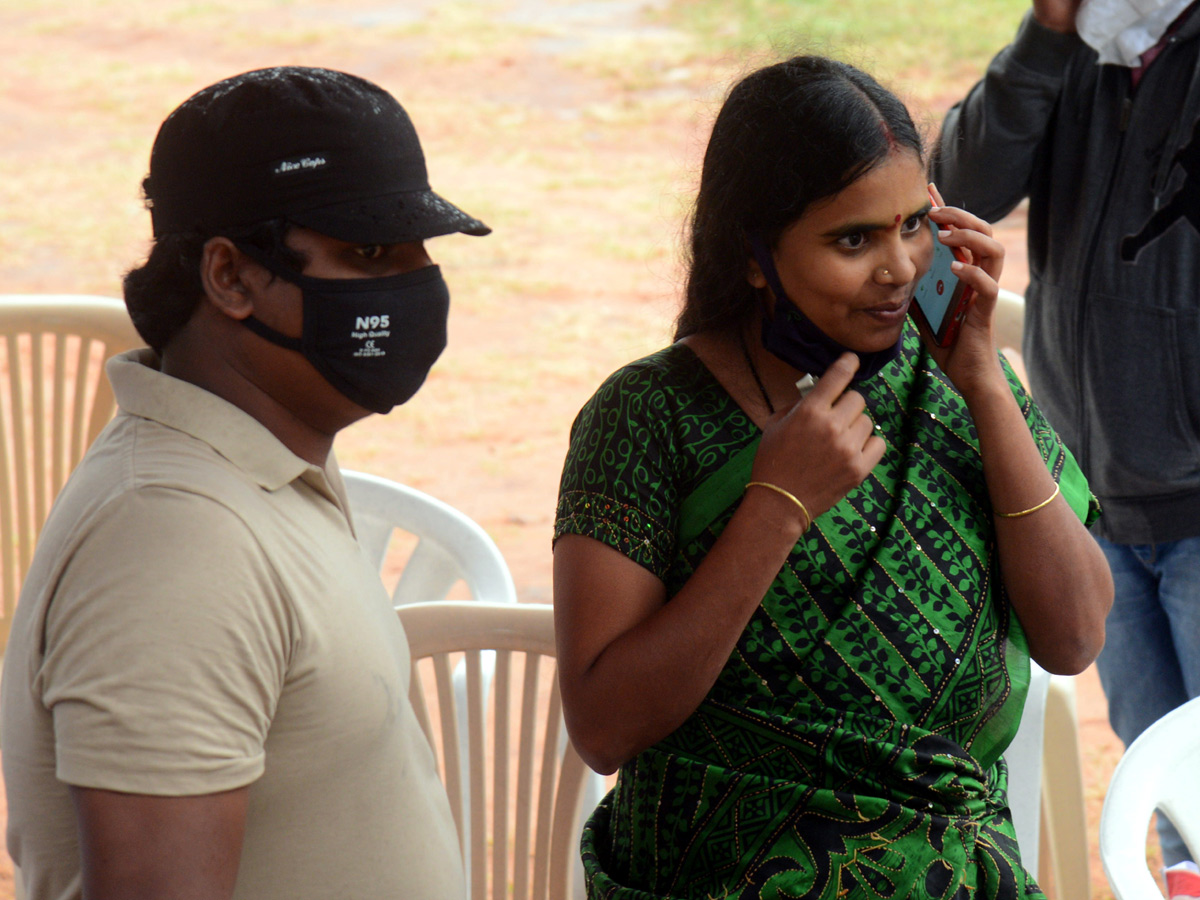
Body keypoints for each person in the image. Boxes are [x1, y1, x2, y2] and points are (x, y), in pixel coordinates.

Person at [553, 56, 1113, 900]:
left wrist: (985, 385)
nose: (897, 269)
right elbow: (605, 727)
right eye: (853, 239)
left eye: (914, 224)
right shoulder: (649, 418)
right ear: (752, 255)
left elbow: (1073, 638)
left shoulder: (957, 392)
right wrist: (776, 506)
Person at [0, 66, 490, 900]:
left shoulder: (268, 455)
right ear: (229, 277)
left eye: (419, 252)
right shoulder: (175, 545)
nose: (414, 287)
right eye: (369, 253)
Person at [932, 0, 1200, 870]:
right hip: (1093, 492)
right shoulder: (1082, 52)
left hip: (1194, 498)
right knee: (1167, 782)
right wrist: (1046, 34)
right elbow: (960, 185)